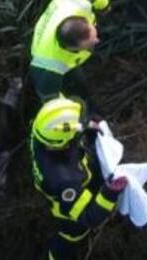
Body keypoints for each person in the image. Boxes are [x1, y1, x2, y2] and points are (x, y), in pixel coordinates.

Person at [30, 96, 126, 259]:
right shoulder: (64, 180)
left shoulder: (41, 129)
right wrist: (110, 192)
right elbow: (90, 216)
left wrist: (90, 124)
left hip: (76, 178)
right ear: (63, 142)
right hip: (71, 217)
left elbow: (67, 124)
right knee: (69, 238)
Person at [29, 0, 110, 103]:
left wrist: (104, 6)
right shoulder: (49, 67)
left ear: (84, 21)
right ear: (70, 48)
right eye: (89, 45)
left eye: (94, 34)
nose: (97, 41)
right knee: (76, 83)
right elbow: (49, 99)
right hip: (51, 62)